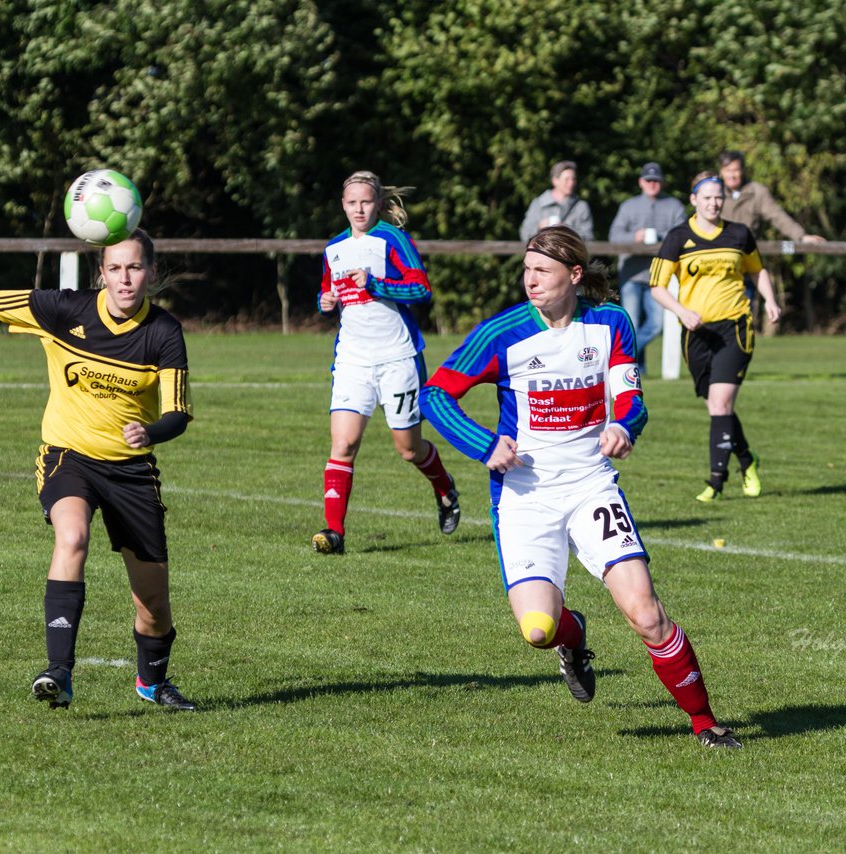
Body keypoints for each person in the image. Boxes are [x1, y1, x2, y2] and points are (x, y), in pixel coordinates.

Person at [419, 226, 742, 749]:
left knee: (646, 613)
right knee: (540, 631)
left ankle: (705, 722)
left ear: (573, 275)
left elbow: (632, 400)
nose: (530, 281)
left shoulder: (611, 322)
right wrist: (483, 445)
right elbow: (436, 394)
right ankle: (575, 641)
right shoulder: (501, 333)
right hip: (524, 498)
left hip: (592, 487)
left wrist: (623, 426)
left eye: (542, 271)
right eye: (526, 270)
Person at [0, 229, 197, 711]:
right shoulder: (66, 309)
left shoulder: (163, 332)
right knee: (71, 537)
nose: (124, 278)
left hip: (132, 472)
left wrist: (150, 433)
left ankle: (153, 682)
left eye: (134, 268)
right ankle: (58, 672)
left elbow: (178, 414)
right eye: (114, 268)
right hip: (67, 457)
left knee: (151, 605)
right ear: (101, 274)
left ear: (151, 273)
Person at [315, 170, 460, 555]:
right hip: (352, 360)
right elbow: (329, 292)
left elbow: (421, 289)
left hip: (397, 358)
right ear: (343, 206)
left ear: (378, 203)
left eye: (366, 202)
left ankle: (444, 486)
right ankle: (334, 533)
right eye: (352, 203)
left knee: (409, 449)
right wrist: (325, 302)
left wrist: (377, 284)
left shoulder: (394, 240)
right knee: (343, 443)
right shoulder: (334, 248)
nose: (359, 209)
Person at [650, 172, 782, 503]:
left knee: (722, 403)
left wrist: (770, 300)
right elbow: (657, 286)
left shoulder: (739, 233)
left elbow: (757, 269)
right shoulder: (678, 237)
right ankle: (748, 461)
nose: (714, 203)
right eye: (707, 197)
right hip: (696, 332)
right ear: (694, 200)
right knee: (716, 407)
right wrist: (681, 311)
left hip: (735, 327)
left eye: (719, 197)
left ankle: (715, 482)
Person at [608, 162, 687, 369]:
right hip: (632, 274)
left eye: (656, 180)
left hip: (659, 276)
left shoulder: (674, 206)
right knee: (631, 324)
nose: (653, 184)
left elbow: (684, 236)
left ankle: (624, 357)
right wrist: (634, 237)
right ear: (641, 182)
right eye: (649, 180)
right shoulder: (628, 206)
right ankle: (637, 370)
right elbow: (614, 236)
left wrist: (662, 239)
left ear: (661, 182)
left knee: (655, 324)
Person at [717, 150, 826, 243]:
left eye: (736, 170)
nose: (732, 175)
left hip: (748, 255)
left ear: (743, 170)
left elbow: (777, 215)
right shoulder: (714, 192)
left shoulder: (757, 192)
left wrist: (801, 236)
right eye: (728, 171)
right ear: (721, 172)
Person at [518, 160, 595, 241]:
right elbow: (524, 234)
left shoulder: (581, 206)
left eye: (573, 179)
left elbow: (589, 238)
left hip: (569, 254)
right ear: (555, 181)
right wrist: (539, 227)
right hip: (543, 253)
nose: (571, 183)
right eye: (567, 179)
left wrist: (567, 230)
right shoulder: (538, 204)